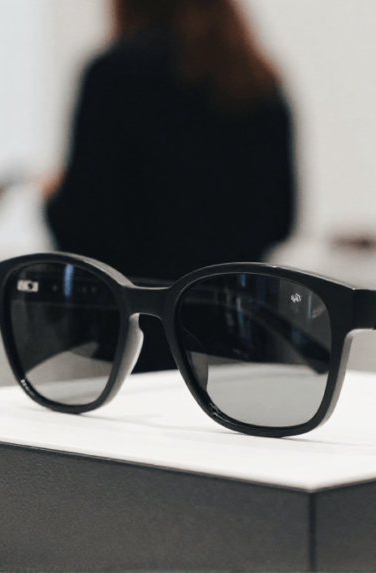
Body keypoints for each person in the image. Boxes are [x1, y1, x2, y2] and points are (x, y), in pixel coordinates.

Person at [46, 0, 295, 371]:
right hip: (237, 327)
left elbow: (83, 220)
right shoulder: (258, 80)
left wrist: (52, 197)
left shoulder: (114, 74)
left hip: (135, 333)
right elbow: (281, 219)